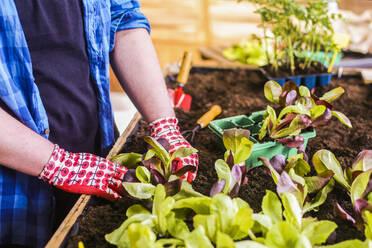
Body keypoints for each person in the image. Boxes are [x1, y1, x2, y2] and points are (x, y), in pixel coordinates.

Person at [0, 0, 198, 247]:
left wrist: (164, 123)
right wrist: (59, 165)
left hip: (96, 156)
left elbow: (123, 18)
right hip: (14, 192)